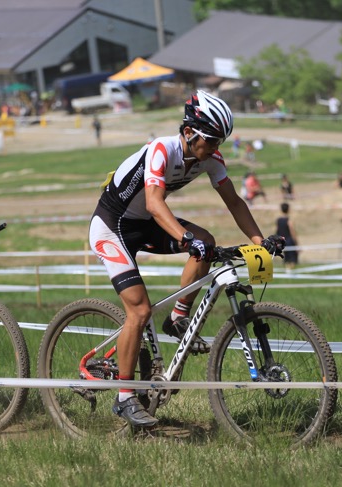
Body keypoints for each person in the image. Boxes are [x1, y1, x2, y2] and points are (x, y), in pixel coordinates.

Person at [89, 90, 284, 427]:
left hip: (146, 225)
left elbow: (234, 202)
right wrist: (184, 238)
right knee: (139, 309)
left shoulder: (210, 158)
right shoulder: (162, 149)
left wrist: (260, 241)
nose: (214, 148)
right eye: (210, 140)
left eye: (220, 141)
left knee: (207, 243)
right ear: (190, 131)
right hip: (112, 226)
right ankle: (123, 397)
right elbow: (154, 201)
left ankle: (178, 318)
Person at [276, 203, 298, 272]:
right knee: (293, 258)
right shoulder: (289, 220)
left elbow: (277, 231)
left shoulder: (278, 220)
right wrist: (296, 242)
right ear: (288, 209)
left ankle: (287, 271)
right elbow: (292, 232)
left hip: (282, 242)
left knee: (286, 258)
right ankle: (291, 272)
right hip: (289, 241)